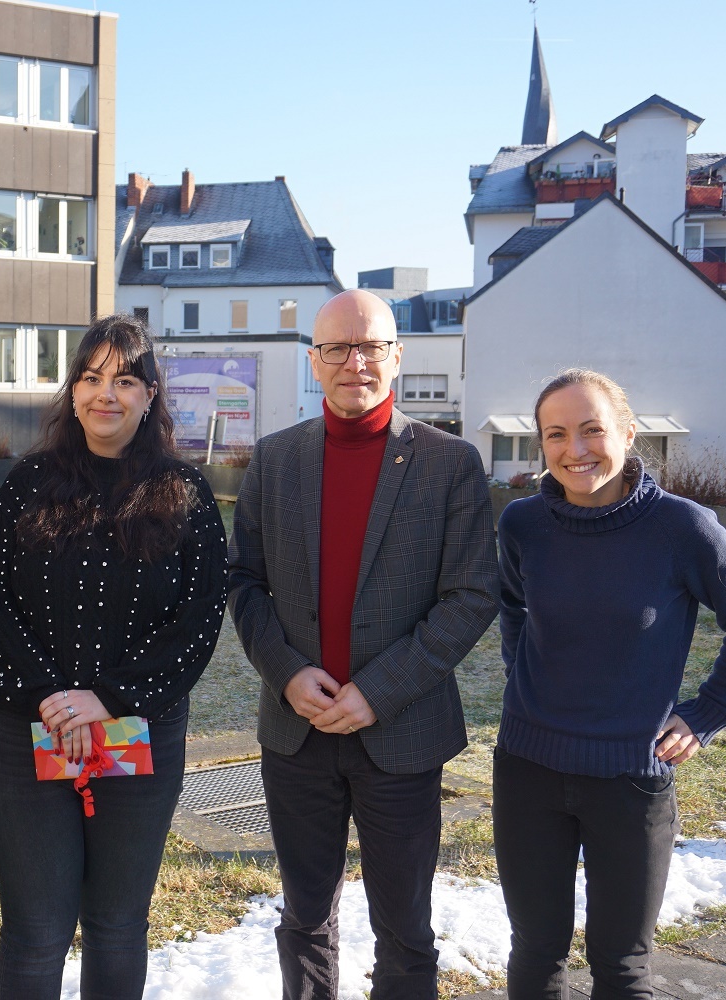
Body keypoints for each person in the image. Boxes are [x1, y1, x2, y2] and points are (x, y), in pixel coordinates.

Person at [227, 288, 499, 1000]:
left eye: (371, 346)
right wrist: (286, 673)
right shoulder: (275, 460)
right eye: (337, 349)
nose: (356, 362)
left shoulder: (449, 463)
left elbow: (472, 596)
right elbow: (244, 583)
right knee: (304, 919)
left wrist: (378, 692)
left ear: (397, 356)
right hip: (298, 735)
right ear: (314, 361)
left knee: (405, 929)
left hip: (402, 736)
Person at [494, 369, 726, 998]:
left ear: (627, 433)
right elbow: (512, 604)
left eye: (592, 430)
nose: (575, 449)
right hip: (527, 768)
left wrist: (706, 714)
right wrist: (522, 674)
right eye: (556, 434)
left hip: (630, 778)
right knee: (535, 952)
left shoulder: (681, 528)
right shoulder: (523, 524)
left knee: (622, 966)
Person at [0, 313, 227, 998]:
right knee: (35, 932)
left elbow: (198, 619)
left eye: (124, 380)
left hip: (138, 732)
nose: (104, 394)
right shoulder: (28, 483)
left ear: (150, 395)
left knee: (116, 926)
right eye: (90, 378)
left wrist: (108, 698)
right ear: (73, 390)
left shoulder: (186, 494)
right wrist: (53, 699)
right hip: (31, 731)